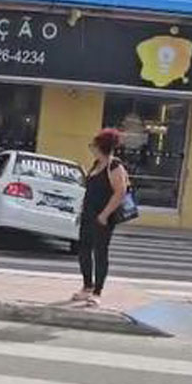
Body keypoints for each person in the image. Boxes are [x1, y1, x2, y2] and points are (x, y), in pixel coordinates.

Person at [73, 128, 129, 307]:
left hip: (103, 216)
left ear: (101, 147)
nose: (91, 148)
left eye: (93, 145)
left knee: (100, 252)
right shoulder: (96, 164)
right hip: (88, 214)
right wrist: (82, 211)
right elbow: (90, 191)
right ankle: (87, 286)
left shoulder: (114, 166)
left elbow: (120, 192)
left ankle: (97, 292)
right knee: (84, 250)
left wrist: (104, 214)